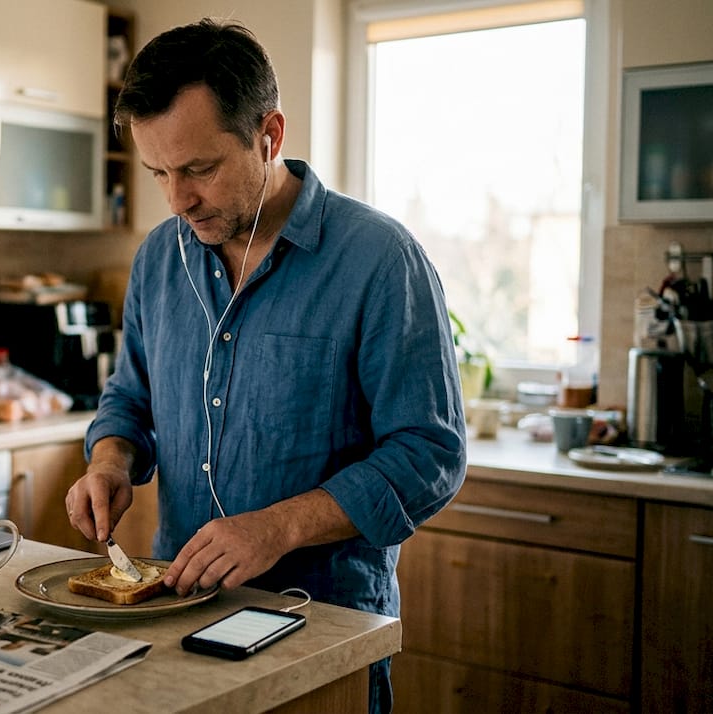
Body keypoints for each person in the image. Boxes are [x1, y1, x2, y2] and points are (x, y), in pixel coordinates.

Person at [64, 18, 467, 713]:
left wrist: (275, 528)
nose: (177, 199)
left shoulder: (377, 259)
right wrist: (109, 461)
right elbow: (130, 398)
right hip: (176, 619)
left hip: (322, 632)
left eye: (199, 169)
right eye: (159, 172)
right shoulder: (161, 256)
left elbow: (429, 453)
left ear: (269, 135)